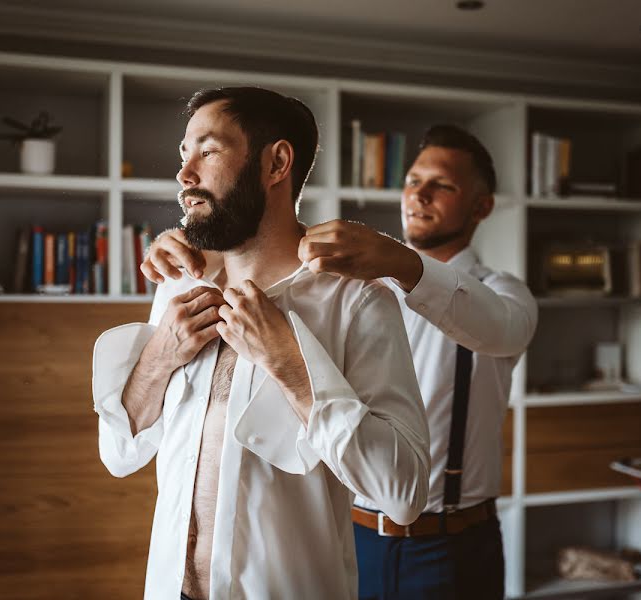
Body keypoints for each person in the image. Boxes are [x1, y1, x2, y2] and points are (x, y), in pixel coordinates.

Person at [143, 124, 538, 599]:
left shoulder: (500, 293)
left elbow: (499, 329)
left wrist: (403, 263)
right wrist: (198, 247)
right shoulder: (352, 286)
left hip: (450, 542)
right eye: (413, 181)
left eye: (443, 185)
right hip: (348, 532)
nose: (420, 195)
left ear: (482, 206)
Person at [92, 86, 430, 600]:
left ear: (276, 163)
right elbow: (118, 453)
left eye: (207, 151)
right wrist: (160, 355)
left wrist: (291, 364)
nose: (185, 176)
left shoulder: (357, 303)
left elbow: (402, 494)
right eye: (184, 155)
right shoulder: (179, 287)